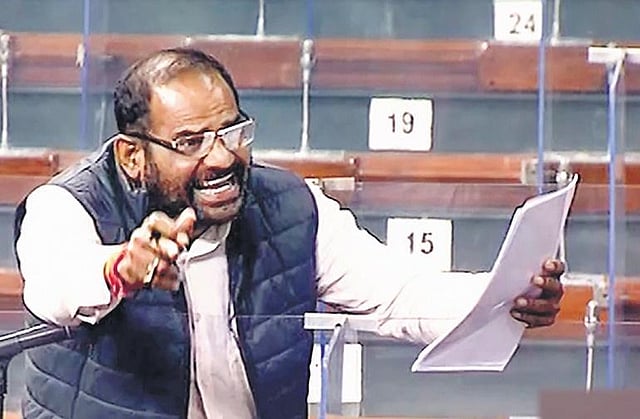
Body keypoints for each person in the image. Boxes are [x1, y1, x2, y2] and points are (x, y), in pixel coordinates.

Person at [13, 48, 565, 419]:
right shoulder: (67, 205)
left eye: (231, 131)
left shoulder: (290, 205)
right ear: (133, 156)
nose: (221, 157)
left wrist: (505, 296)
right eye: (190, 142)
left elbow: (396, 294)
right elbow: (56, 287)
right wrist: (121, 270)